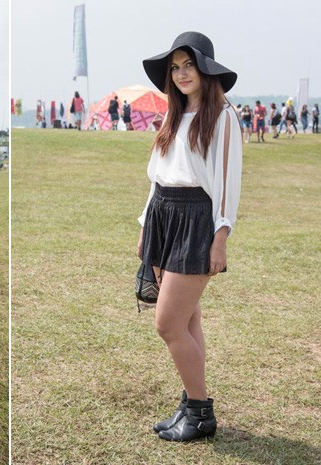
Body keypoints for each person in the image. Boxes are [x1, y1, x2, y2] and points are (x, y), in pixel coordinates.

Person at [139, 31, 242, 442]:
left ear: (205, 69)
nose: (181, 74)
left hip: (197, 219)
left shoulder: (223, 116)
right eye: (175, 67)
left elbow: (227, 182)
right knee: (188, 318)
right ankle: (189, 402)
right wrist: (146, 225)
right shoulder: (172, 114)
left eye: (189, 65)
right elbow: (157, 176)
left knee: (167, 324)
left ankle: (200, 413)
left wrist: (221, 236)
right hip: (164, 217)